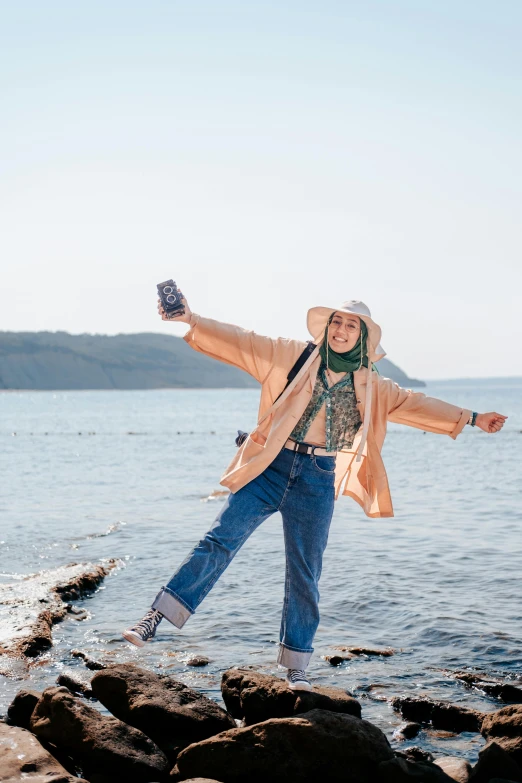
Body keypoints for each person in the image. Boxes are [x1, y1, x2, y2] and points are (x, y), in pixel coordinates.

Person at [123, 296, 507, 691]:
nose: (340, 331)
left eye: (351, 326)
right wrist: (191, 318)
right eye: (336, 323)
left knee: (305, 571)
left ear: (363, 336)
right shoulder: (294, 356)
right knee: (219, 540)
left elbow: (415, 403)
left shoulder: (373, 385)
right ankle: (155, 617)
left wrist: (472, 418)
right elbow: (243, 340)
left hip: (318, 477)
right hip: (270, 466)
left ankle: (297, 666)